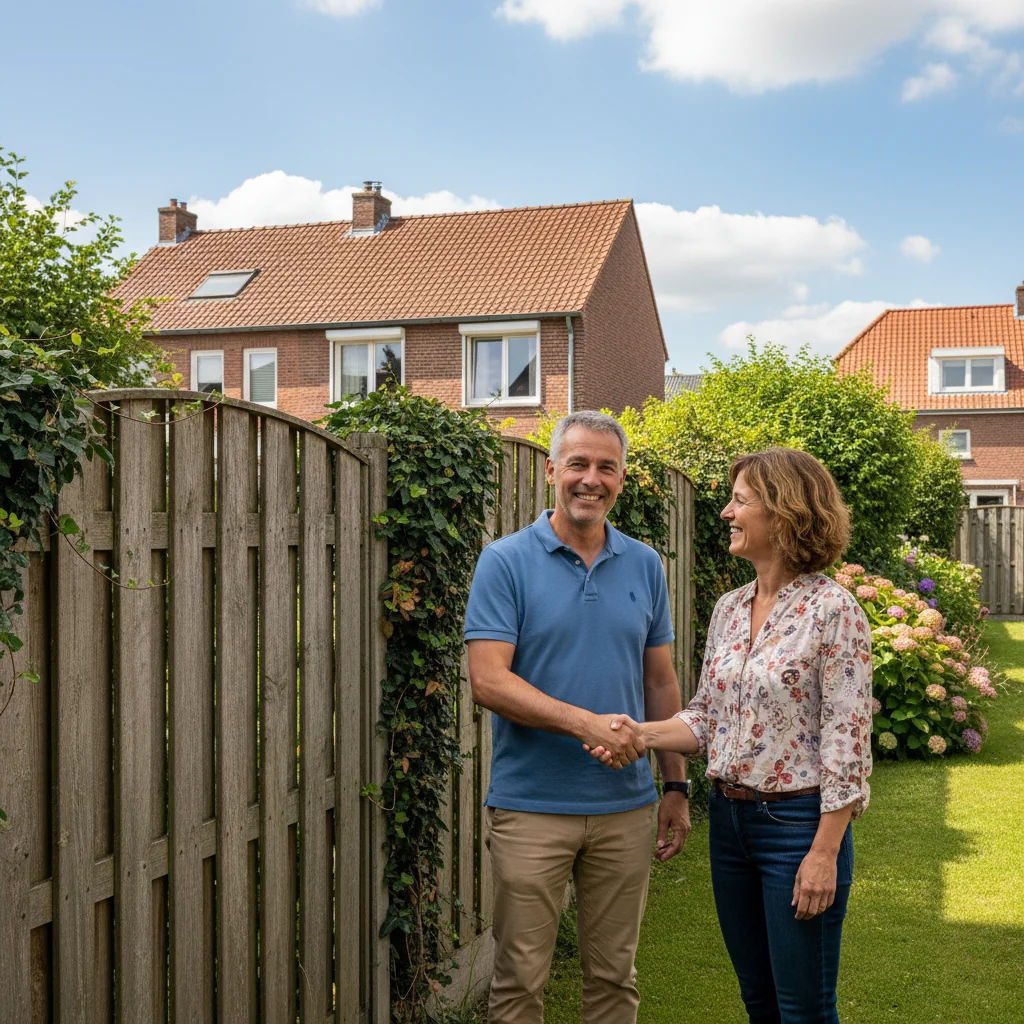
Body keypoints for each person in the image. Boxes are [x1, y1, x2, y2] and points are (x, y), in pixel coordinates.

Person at [588, 447, 873, 1024]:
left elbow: (847, 743)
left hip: (797, 829)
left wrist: (823, 853)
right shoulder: (730, 607)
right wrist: (638, 732)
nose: (725, 512)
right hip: (731, 825)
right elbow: (708, 717)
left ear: (784, 512)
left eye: (739, 501)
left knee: (804, 1009)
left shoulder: (833, 610)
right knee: (759, 1001)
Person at [464, 410, 691, 1024]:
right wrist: (586, 723)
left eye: (606, 467)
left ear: (621, 479)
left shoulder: (645, 564)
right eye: (579, 464)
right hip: (532, 805)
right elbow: (487, 681)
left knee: (615, 979)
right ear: (551, 472)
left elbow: (659, 680)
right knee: (519, 982)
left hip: (625, 807)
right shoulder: (505, 561)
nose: (591, 479)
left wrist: (674, 784)